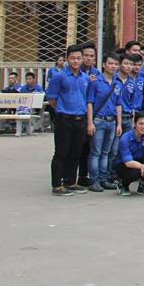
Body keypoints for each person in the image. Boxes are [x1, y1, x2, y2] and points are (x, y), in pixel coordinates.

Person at [46, 44, 90, 196]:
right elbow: (52, 99)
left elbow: (86, 97)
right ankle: (57, 185)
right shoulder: (59, 76)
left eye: (78, 58)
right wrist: (63, 109)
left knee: (76, 152)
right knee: (61, 152)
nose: (75, 61)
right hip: (64, 118)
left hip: (80, 118)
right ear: (67, 59)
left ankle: (71, 181)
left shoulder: (85, 77)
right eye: (72, 58)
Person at [85, 53, 123, 192]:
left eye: (116, 64)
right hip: (98, 120)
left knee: (106, 152)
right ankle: (94, 180)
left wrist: (119, 124)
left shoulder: (117, 83)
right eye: (110, 63)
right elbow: (90, 102)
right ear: (104, 65)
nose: (113, 66)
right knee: (96, 152)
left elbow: (118, 104)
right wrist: (90, 123)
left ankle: (103, 179)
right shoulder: (95, 81)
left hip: (112, 122)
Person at [114, 114, 144, 196]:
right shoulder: (125, 138)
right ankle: (122, 184)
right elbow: (128, 162)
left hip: (139, 160)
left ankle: (143, 185)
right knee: (136, 171)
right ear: (134, 124)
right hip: (124, 165)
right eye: (141, 123)